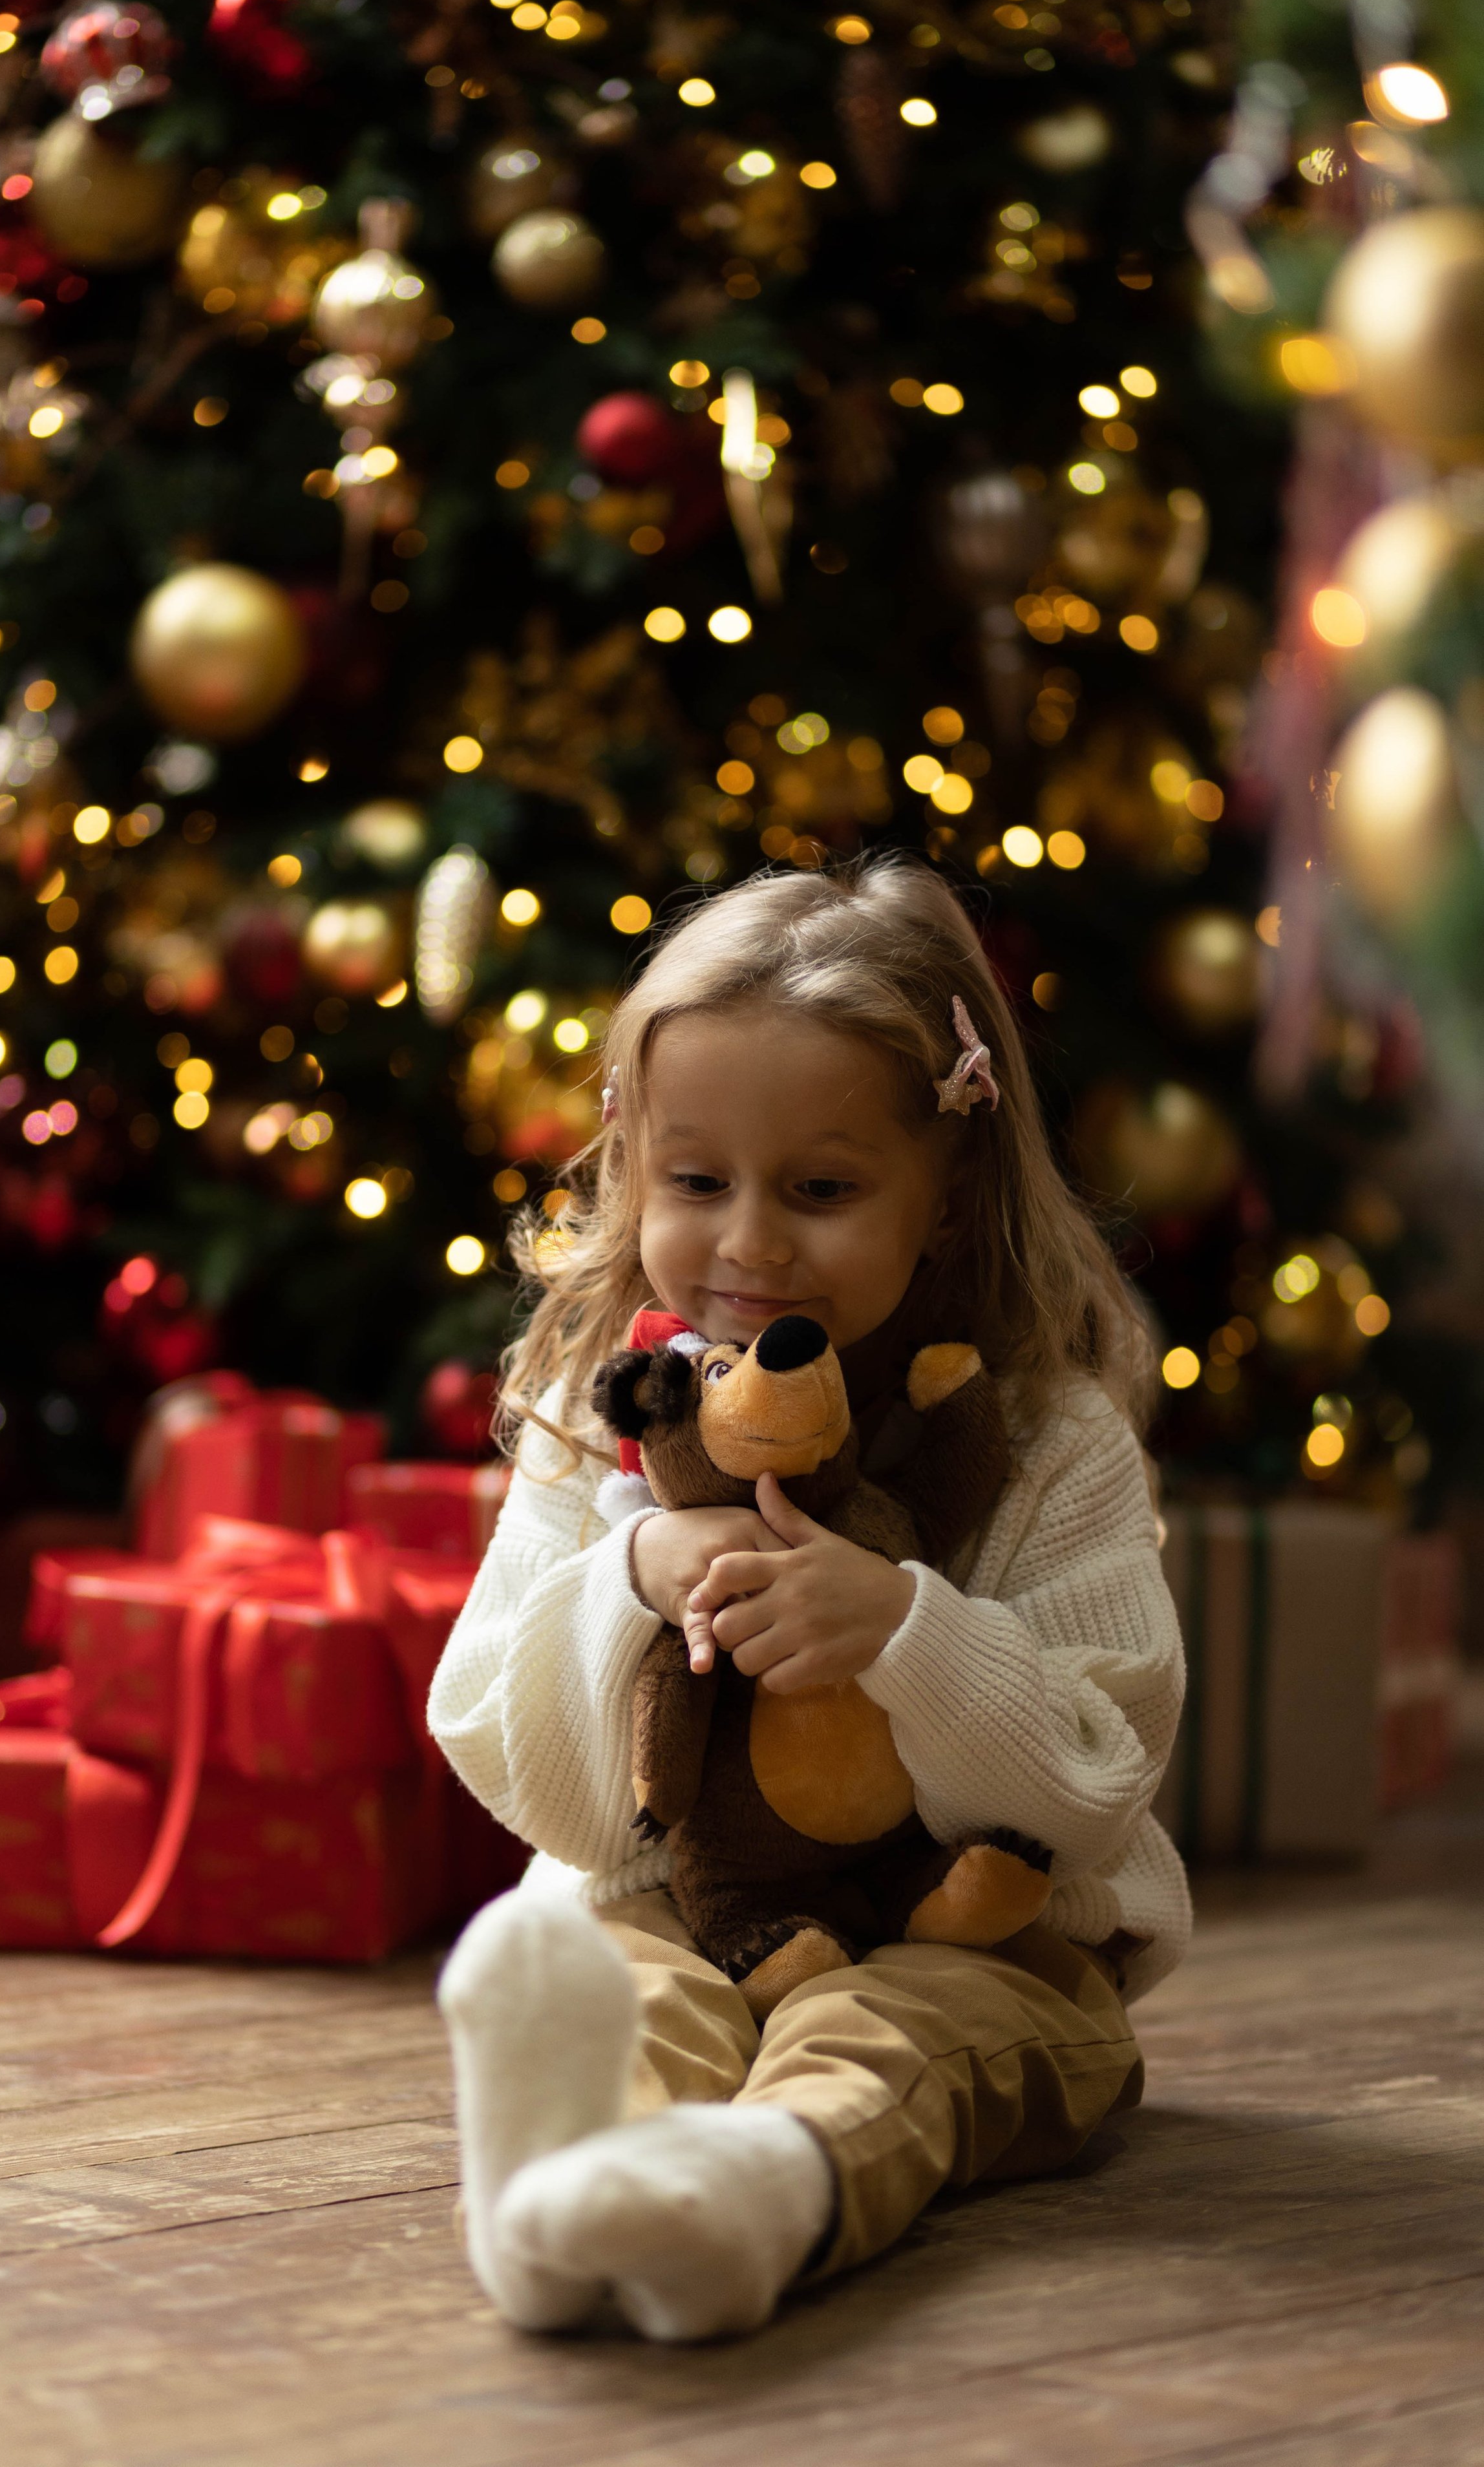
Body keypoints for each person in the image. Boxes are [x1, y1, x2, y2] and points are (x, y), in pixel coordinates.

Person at [428, 858, 1187, 2343]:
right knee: (628, 1991)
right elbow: (507, 1750)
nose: (751, 1245)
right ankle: (544, 2201)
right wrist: (627, 1582)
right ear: (628, 1160)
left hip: (978, 1939)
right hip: (678, 1908)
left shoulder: (1045, 1439)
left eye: (823, 1191)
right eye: (695, 1183)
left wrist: (908, 1633)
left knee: (892, 2035)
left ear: (949, 1193)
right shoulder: (601, 1418)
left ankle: (761, 2190)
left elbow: (1100, 1769)